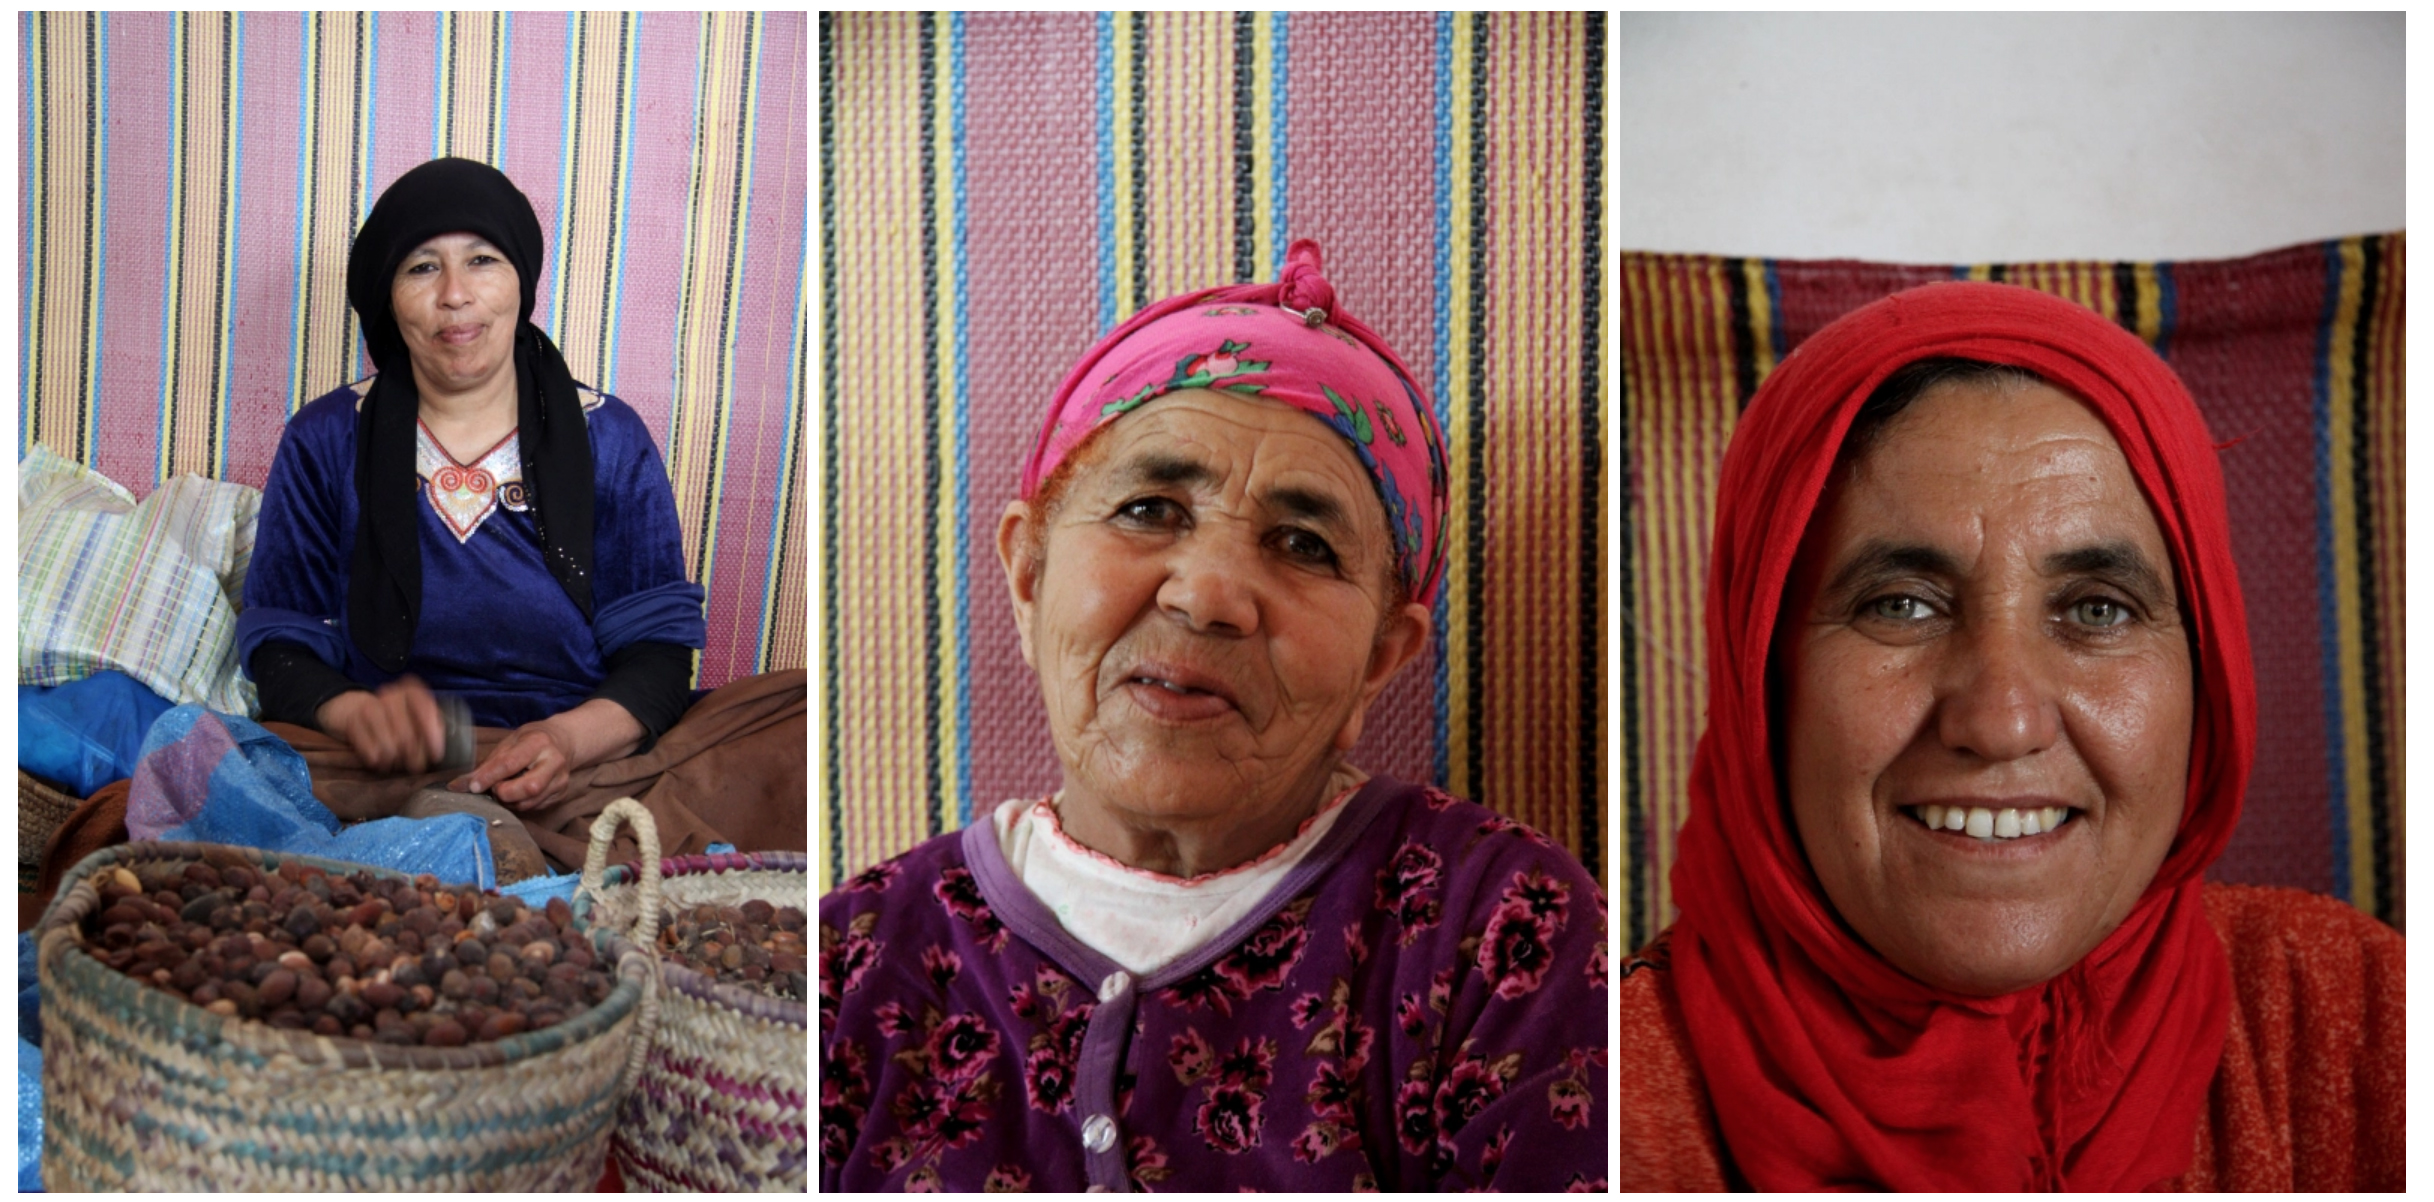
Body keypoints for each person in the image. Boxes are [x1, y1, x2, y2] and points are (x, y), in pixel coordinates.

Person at [817, 242, 1607, 1191]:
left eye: (1304, 544)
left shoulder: (1498, 934)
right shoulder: (854, 962)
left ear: (1379, 662)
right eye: (1149, 509)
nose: (1209, 596)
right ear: (1029, 578)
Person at [1614, 282, 2403, 1190]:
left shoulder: (2349, 1018)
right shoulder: (1619, 1102)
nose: (2001, 721)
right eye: (1900, 605)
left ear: (2212, 673)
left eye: (2098, 609)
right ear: (1764, 683)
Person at [236, 157, 804, 869]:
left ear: (520, 283)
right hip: (384, 763)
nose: (454, 295)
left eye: (482, 260)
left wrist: (565, 741)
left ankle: (485, 837)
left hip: (579, 759)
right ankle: (463, 837)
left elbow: (658, 658)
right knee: (194, 754)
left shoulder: (611, 436)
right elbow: (280, 642)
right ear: (389, 297)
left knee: (803, 718)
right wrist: (362, 717)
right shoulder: (325, 437)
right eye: (420, 268)